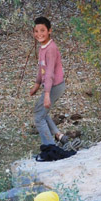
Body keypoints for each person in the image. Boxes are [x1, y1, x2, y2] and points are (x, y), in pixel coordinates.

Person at [29, 17, 69, 147]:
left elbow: (50, 73)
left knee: (39, 117)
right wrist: (36, 84)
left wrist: (47, 94)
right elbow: (42, 68)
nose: (39, 34)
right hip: (49, 85)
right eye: (36, 31)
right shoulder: (43, 47)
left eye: (42, 30)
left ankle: (50, 147)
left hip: (55, 86)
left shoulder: (51, 49)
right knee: (39, 111)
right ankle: (59, 135)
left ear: (50, 31)